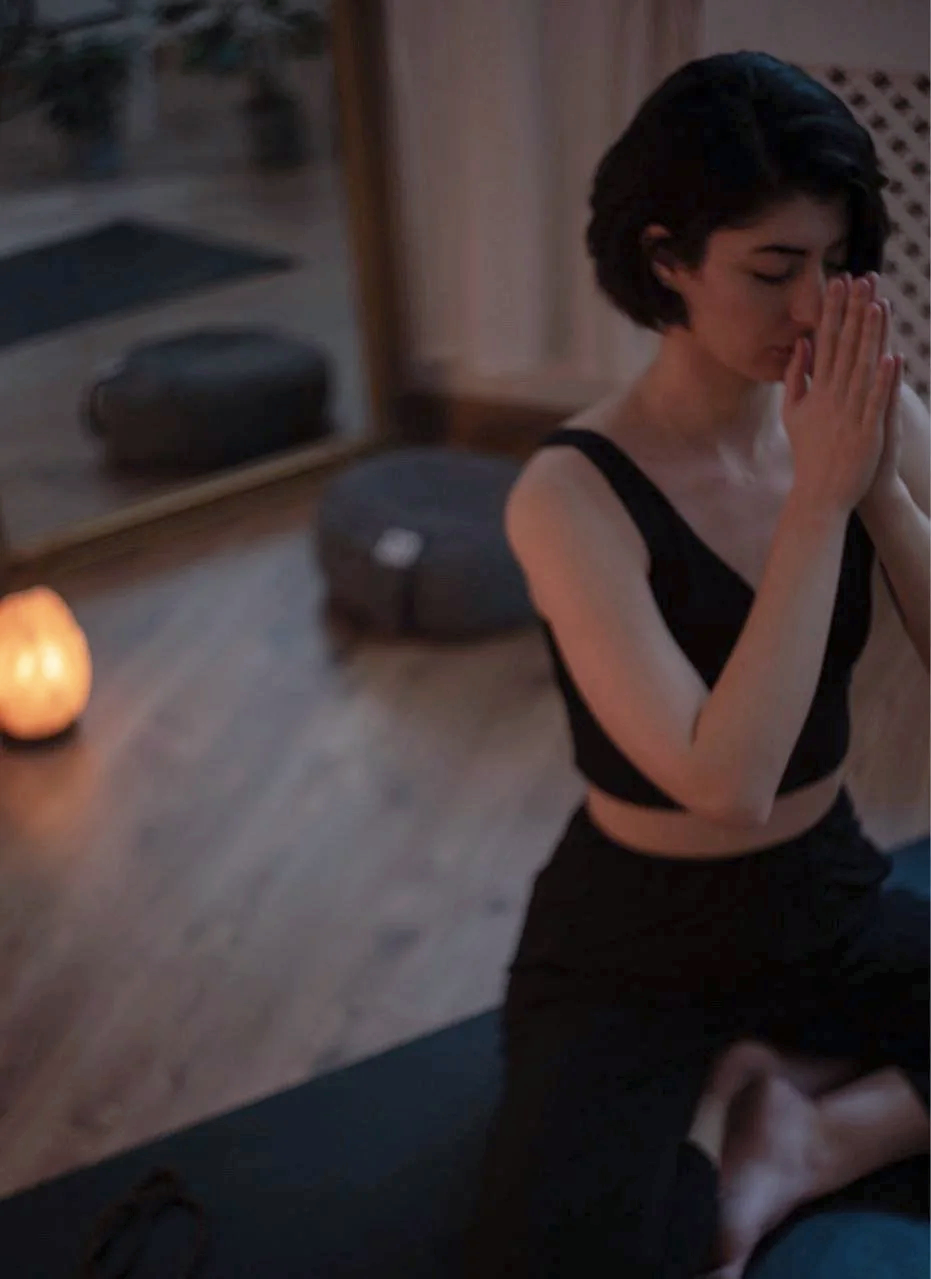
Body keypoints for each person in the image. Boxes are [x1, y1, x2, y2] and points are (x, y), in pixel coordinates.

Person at [464, 51, 930, 1279]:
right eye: (773, 270)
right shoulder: (567, 494)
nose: (814, 308)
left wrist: (880, 494)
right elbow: (722, 783)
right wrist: (820, 503)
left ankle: (810, 1132)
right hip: (634, 934)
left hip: (822, 889)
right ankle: (741, 1086)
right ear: (666, 259)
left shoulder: (853, 409)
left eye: (834, 264)